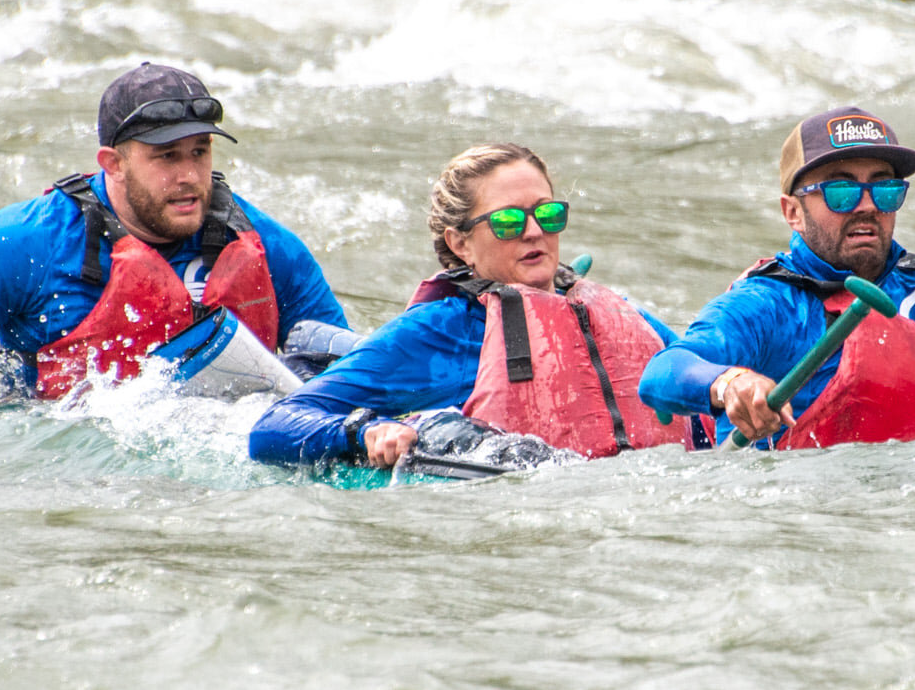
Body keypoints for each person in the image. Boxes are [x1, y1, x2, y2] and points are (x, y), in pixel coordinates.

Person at [0, 63, 352, 399]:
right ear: (113, 163)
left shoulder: (267, 246)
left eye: (200, 151)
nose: (188, 174)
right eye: (166, 156)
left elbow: (346, 368)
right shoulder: (26, 242)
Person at [250, 143, 704, 469]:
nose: (533, 232)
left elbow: (699, 406)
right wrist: (366, 433)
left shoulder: (615, 315)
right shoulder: (439, 331)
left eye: (547, 214)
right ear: (460, 243)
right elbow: (275, 425)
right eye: (507, 220)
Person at [639, 107, 915, 449]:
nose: (867, 205)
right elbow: (663, 370)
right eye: (841, 191)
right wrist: (732, 383)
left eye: (884, 190)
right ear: (793, 212)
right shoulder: (769, 303)